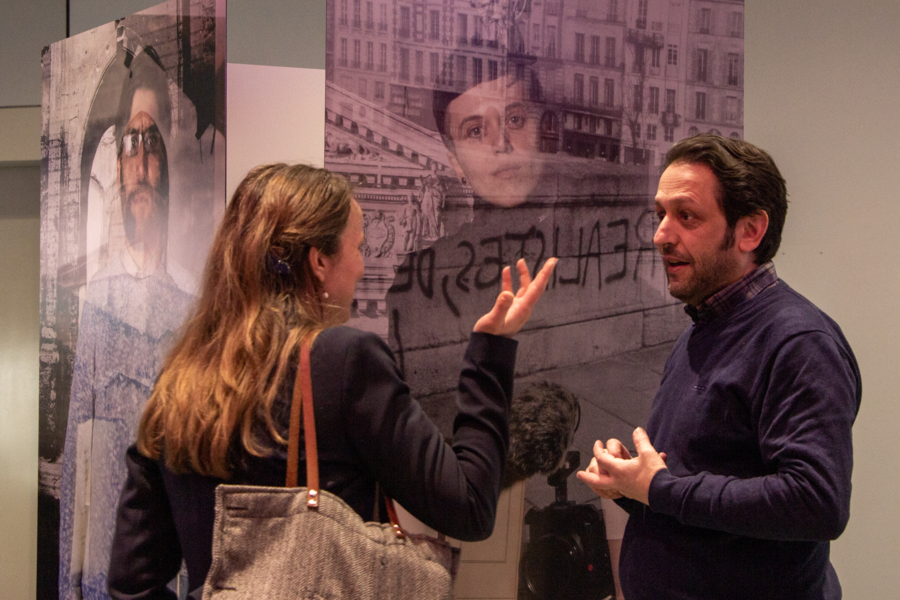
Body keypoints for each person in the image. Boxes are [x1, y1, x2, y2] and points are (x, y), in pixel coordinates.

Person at [106, 163, 557, 599]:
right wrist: (490, 353)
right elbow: (470, 506)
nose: (362, 267)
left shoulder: (178, 381)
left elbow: (132, 584)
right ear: (319, 261)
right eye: (358, 247)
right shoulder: (344, 362)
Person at [577, 134, 861, 599]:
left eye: (686, 216)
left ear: (750, 231)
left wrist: (661, 488)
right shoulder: (702, 329)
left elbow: (816, 503)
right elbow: (705, 487)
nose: (661, 235)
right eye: (661, 214)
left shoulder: (799, 342)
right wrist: (634, 485)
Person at [59, 47, 197, 600]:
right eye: (130, 146)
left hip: (169, 558)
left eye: (152, 143)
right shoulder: (100, 299)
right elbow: (77, 450)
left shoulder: (194, 301)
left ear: (165, 159)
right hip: (105, 565)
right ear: (118, 165)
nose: (141, 162)